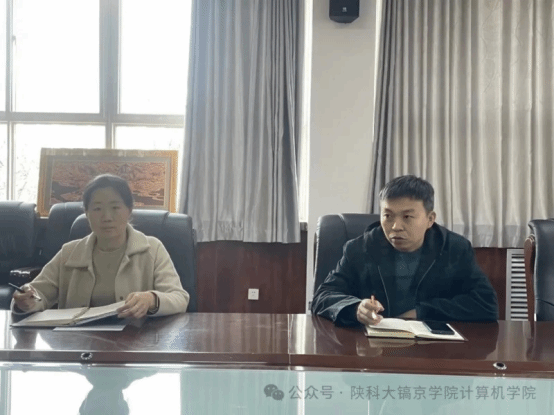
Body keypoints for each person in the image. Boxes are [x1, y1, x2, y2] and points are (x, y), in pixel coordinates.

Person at [311, 175, 498, 327]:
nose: (396, 226)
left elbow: (486, 304)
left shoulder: (454, 248)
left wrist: (422, 312)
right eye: (388, 216)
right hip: (372, 348)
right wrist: (355, 308)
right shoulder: (360, 248)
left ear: (430, 219)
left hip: (432, 351)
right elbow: (322, 296)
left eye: (407, 217)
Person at [12, 174, 190, 318]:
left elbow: (179, 298)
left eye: (115, 208)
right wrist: (25, 301)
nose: (107, 217)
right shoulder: (69, 252)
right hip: (78, 343)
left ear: (129, 210)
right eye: (97, 209)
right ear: (86, 213)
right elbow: (38, 293)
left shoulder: (152, 248)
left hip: (134, 342)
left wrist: (151, 299)